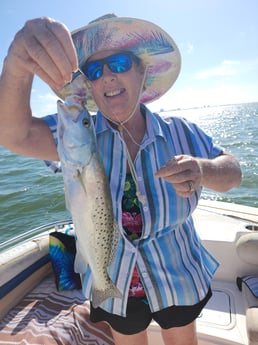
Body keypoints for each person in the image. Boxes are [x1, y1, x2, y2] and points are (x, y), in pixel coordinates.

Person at [0, 14, 242, 345]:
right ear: (89, 86)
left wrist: (203, 170)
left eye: (119, 63)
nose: (108, 76)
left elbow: (233, 171)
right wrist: (16, 63)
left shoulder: (182, 131)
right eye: (95, 71)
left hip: (179, 275)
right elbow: (13, 133)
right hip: (113, 284)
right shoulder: (76, 136)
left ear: (142, 72)